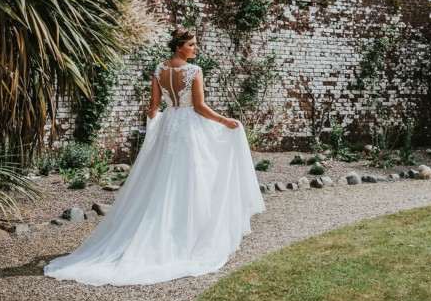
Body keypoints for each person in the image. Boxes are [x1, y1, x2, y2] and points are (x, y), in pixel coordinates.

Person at [44, 28, 265, 286]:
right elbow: (200, 107)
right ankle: (189, 238)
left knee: (161, 179)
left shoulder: (159, 70)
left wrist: (155, 126)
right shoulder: (194, 71)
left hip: (168, 127)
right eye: (192, 44)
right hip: (189, 129)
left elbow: (153, 108)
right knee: (192, 178)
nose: (196, 48)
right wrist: (224, 120)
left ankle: (158, 232)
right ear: (180, 46)